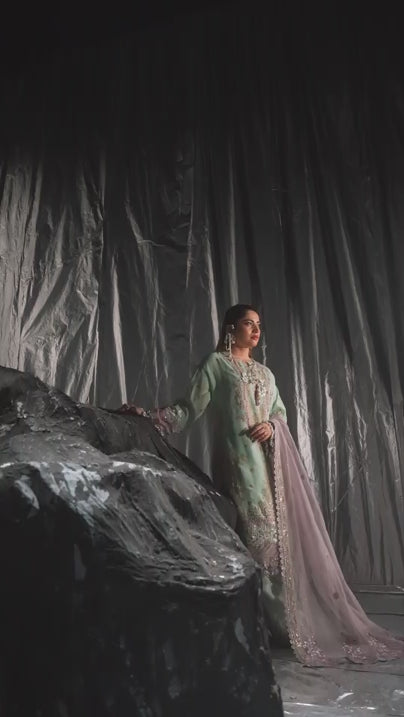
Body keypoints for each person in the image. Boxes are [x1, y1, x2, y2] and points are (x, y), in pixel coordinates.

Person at [119, 304, 404, 667]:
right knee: (257, 542)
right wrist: (147, 415)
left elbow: (279, 412)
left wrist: (272, 425)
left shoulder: (265, 374)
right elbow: (187, 410)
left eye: (258, 325)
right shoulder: (216, 365)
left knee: (277, 544)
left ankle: (288, 622)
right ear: (230, 328)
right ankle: (275, 624)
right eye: (248, 324)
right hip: (239, 468)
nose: (256, 330)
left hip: (269, 468)